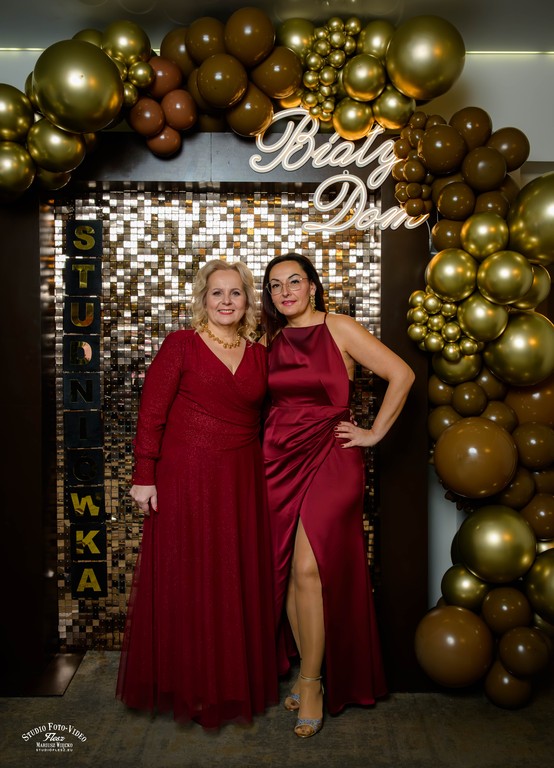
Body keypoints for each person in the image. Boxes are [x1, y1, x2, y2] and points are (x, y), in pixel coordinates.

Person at [116, 259, 279, 729]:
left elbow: (279, 414)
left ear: (247, 301)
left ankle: (228, 682)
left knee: (231, 574)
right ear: (203, 300)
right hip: (185, 476)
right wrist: (143, 475)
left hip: (240, 478)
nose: (226, 301)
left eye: (235, 293)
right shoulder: (181, 345)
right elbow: (151, 414)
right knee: (189, 576)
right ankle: (190, 684)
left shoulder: (260, 354)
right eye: (217, 293)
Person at [260, 253, 415, 738]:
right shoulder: (270, 339)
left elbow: (402, 374)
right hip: (277, 460)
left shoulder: (339, 328)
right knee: (289, 570)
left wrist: (373, 433)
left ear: (312, 286)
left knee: (311, 568)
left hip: (331, 456)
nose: (285, 292)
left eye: (294, 281)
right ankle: (310, 668)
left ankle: (311, 683)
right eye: (275, 285)